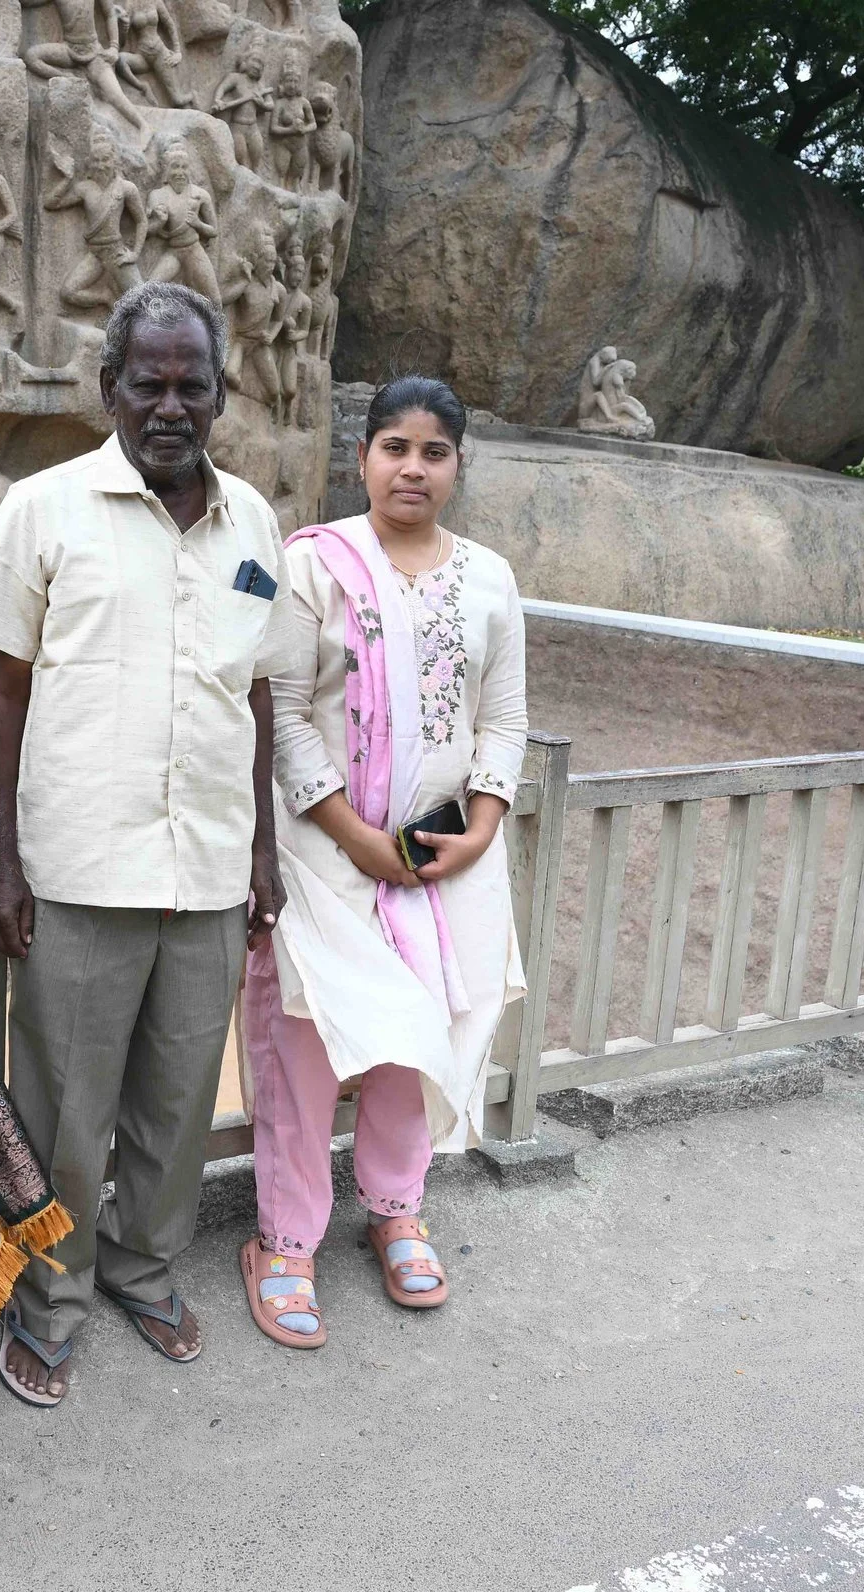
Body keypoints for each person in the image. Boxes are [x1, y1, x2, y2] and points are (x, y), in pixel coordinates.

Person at [0, 281, 289, 1407]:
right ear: (107, 391)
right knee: (61, 1104)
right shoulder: (42, 508)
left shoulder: (254, 523)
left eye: (190, 384)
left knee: (176, 1097)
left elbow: (255, 695)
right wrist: (1, 861)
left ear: (219, 396)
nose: (168, 403)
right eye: (145, 383)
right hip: (79, 867)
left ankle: (143, 1267)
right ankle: (50, 1296)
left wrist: (260, 851)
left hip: (205, 865)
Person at [237, 376, 527, 1348]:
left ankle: (397, 1206)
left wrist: (481, 826)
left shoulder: (488, 576)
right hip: (323, 848)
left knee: (422, 1028)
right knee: (307, 1043)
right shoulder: (311, 563)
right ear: (362, 457)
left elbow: (503, 715)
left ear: (456, 465)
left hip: (444, 853)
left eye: (433, 451)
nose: (412, 466)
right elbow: (278, 702)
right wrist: (354, 837)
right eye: (394, 446)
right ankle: (284, 1238)